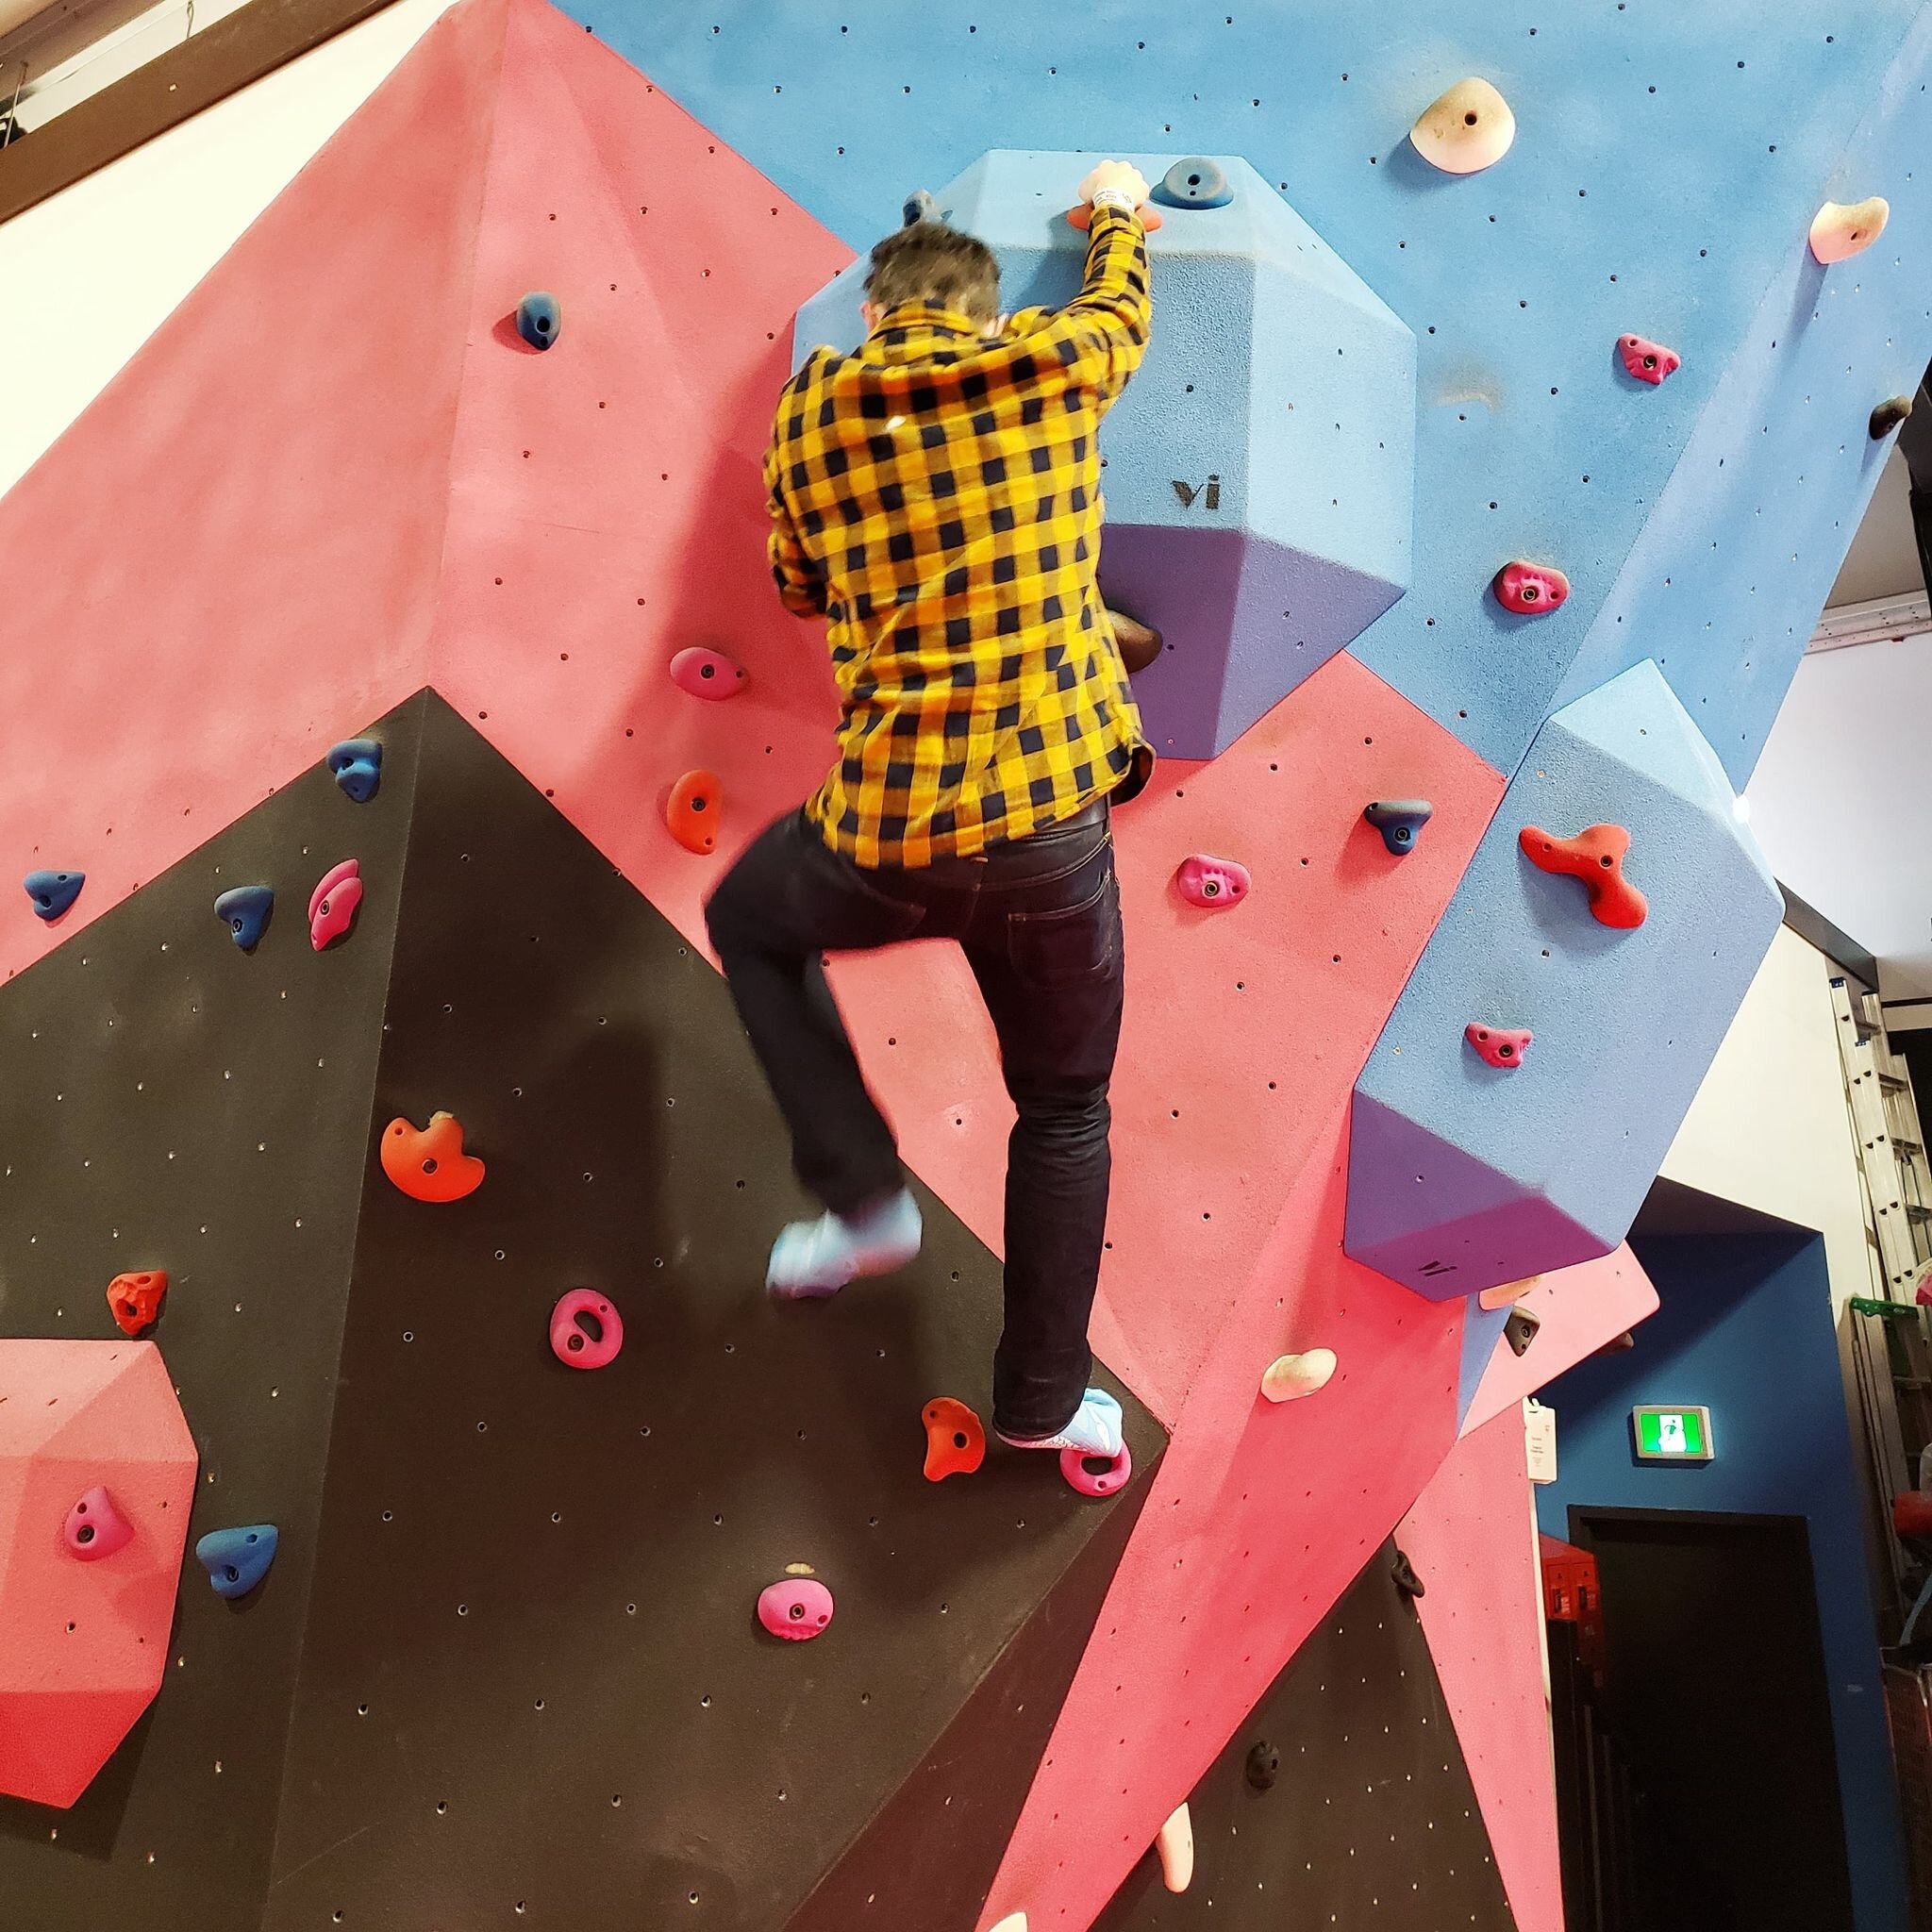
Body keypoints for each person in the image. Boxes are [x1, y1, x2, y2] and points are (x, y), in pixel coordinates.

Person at [705, 160, 1156, 1463]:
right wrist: (1119, 213)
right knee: (1064, 1110)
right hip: (1050, 834)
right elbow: (1121, 308)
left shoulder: (812, 411)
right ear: (981, 306)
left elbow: (796, 586)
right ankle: (1035, 1408)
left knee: (750, 922)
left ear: (873, 312)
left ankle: (860, 1201)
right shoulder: (1046, 366)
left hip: (886, 832)